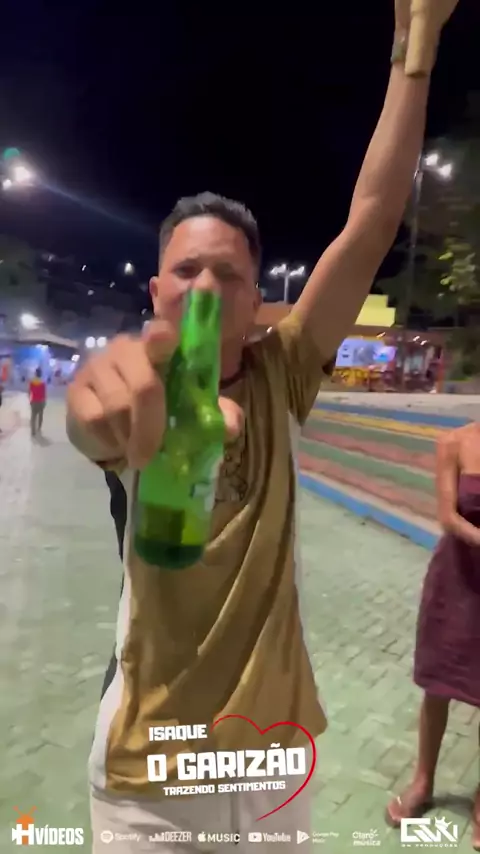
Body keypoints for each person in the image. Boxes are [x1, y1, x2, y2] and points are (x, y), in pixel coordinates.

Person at [66, 4, 459, 850]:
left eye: (230, 274)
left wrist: (415, 48)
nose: (207, 287)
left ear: (257, 304)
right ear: (157, 293)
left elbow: (372, 221)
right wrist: (88, 411)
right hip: (151, 772)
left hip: (268, 761)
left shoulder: (285, 371)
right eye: (186, 270)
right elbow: (99, 424)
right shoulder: (143, 389)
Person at [386, 424, 480, 849]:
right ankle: (423, 781)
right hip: (457, 580)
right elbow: (448, 516)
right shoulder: (454, 442)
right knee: (437, 686)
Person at [29, 367, 47, 437]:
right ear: (41, 374)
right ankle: (39, 428)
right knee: (40, 415)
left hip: (34, 400)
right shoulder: (43, 382)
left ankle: (33, 431)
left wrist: (30, 400)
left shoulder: (32, 382)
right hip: (41, 401)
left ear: (35, 374)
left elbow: (29, 392)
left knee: (33, 416)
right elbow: (44, 393)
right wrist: (44, 401)